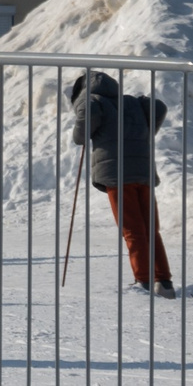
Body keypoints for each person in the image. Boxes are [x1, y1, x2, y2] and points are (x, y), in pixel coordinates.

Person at [66, 71, 175, 298]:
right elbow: (158, 106)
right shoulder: (131, 102)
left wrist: (85, 114)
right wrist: (146, 133)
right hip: (142, 172)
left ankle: (143, 281)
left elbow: (80, 137)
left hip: (118, 174)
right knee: (150, 229)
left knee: (132, 230)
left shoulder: (93, 102)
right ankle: (163, 282)